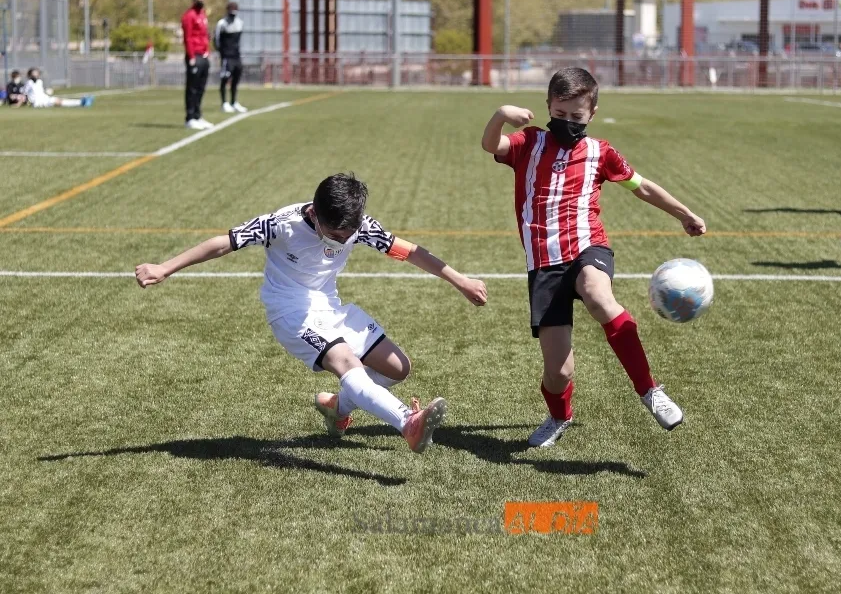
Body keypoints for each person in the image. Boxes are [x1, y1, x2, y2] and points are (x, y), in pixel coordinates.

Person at [135, 172, 488, 453]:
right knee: (349, 366)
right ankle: (407, 423)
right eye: (334, 234)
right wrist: (165, 267)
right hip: (290, 312)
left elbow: (411, 252)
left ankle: (339, 408)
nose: (340, 241)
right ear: (315, 215)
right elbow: (223, 243)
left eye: (346, 235)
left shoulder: (359, 225)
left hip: (329, 307)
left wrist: (460, 280)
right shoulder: (280, 224)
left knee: (398, 368)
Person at [480, 67, 706, 447]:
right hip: (544, 264)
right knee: (559, 373)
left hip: (588, 246)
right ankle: (558, 416)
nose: (568, 123)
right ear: (549, 105)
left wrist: (685, 213)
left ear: (592, 114)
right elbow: (492, 145)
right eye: (561, 114)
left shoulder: (602, 152)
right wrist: (501, 114)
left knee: (597, 293)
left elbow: (643, 187)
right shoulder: (528, 143)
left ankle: (650, 391)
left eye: (577, 117)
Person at [182, 0, 212, 130]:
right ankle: (190, 117)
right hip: (194, 56)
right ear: (194, 0)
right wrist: (192, 56)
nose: (202, 2)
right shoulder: (189, 16)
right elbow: (187, 37)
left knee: (201, 88)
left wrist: (207, 51)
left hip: (204, 55)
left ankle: (198, 115)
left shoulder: (203, 15)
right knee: (192, 88)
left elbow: (205, 35)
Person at [215, 2, 246, 113]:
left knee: (236, 79)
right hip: (226, 57)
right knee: (225, 79)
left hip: (236, 56)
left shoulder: (240, 23)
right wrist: (222, 53)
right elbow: (217, 41)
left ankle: (234, 102)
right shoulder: (221, 24)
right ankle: (224, 103)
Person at [24, 68, 93, 108]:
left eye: (37, 73)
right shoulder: (29, 82)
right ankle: (81, 102)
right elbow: (24, 92)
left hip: (45, 98)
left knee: (60, 100)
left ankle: (81, 102)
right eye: (34, 73)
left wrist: (47, 92)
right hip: (38, 102)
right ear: (30, 75)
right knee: (59, 102)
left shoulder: (39, 81)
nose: (36, 74)